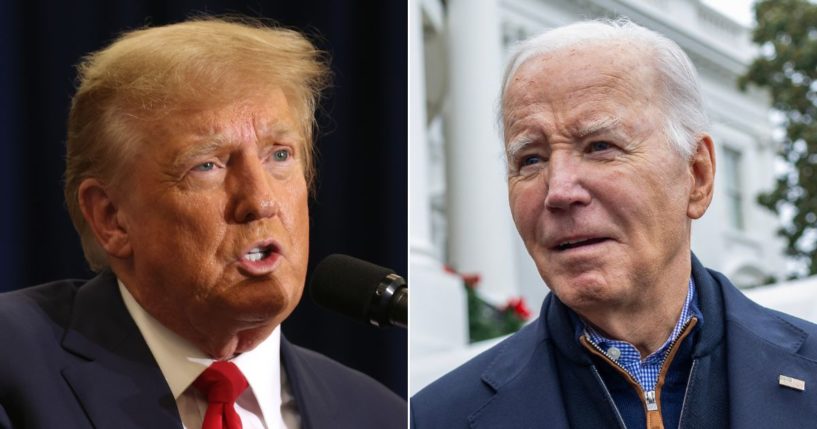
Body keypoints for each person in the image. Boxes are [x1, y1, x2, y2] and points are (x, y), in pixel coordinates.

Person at [0, 18, 405, 429]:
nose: (261, 201)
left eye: (279, 155)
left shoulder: (381, 415)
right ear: (112, 218)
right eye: (207, 165)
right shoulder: (14, 367)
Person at [411, 18, 817, 429]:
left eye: (600, 146)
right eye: (531, 159)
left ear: (697, 176)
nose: (559, 191)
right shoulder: (434, 417)